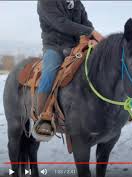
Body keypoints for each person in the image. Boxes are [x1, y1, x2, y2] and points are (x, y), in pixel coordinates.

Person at [36, 0, 104, 136]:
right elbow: (60, 23)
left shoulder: (77, 3)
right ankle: (44, 117)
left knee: (98, 66)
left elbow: (86, 23)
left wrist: (95, 39)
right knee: (49, 73)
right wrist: (91, 31)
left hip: (77, 46)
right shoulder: (45, 2)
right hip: (55, 47)